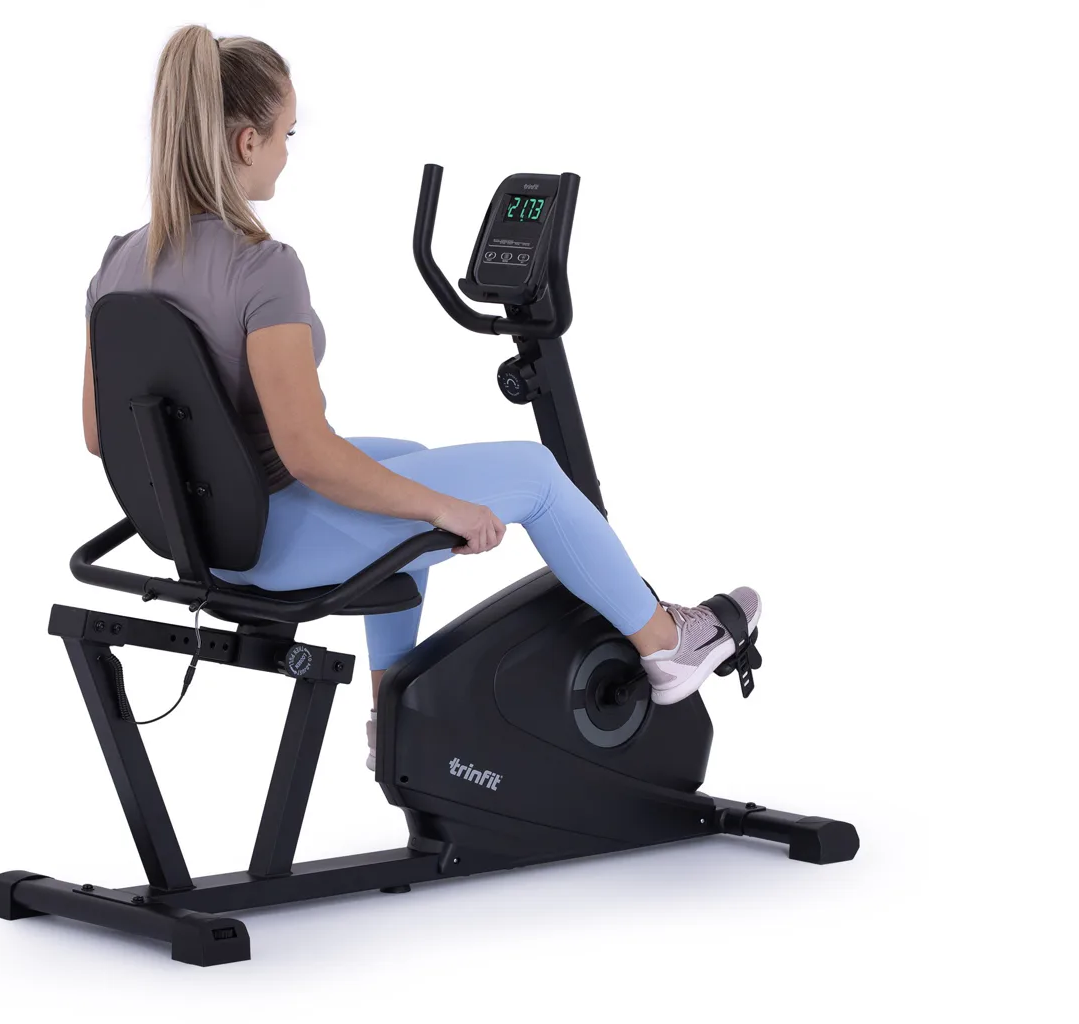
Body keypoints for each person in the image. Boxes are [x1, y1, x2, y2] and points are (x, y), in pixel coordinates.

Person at [83, 25, 760, 769]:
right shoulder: (262, 268)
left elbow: (98, 433)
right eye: (286, 134)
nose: (287, 152)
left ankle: (391, 714)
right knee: (535, 474)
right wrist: (446, 509)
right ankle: (667, 647)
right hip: (269, 544)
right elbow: (308, 454)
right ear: (248, 143)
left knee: (406, 456)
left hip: (198, 536)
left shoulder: (119, 262)